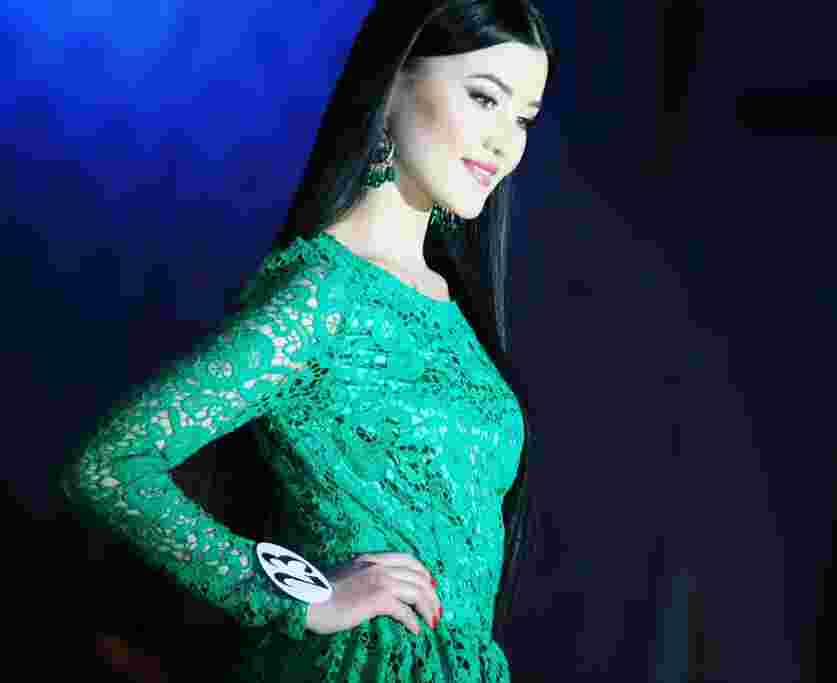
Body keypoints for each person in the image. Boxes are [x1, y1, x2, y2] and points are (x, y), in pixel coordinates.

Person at [57, 0, 555, 680]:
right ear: (393, 83)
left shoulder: (456, 306)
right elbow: (111, 465)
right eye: (485, 98)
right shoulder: (323, 295)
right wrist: (296, 593)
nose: (505, 143)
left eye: (523, 118)